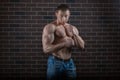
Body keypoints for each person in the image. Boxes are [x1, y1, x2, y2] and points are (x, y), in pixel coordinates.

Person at [42, 4, 85, 80]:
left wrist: (74, 34)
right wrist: (64, 44)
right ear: (56, 14)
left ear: (69, 15)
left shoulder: (72, 28)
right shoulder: (50, 27)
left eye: (66, 16)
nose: (63, 19)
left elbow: (82, 47)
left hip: (69, 63)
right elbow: (46, 49)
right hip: (55, 62)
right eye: (61, 16)